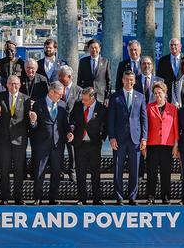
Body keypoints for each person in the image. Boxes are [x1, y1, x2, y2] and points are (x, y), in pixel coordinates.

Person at [108, 70, 147, 205]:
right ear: (122, 80)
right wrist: (111, 137)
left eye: (131, 80)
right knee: (118, 168)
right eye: (126, 79)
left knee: (134, 169)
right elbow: (111, 119)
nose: (129, 82)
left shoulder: (140, 97)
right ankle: (119, 196)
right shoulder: (115, 97)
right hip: (119, 139)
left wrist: (144, 138)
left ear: (134, 81)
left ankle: (132, 196)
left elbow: (143, 119)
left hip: (135, 138)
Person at [0, 75, 31, 205]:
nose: (13, 86)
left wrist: (33, 121)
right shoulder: (0, 97)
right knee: (4, 170)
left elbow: (28, 121)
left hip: (19, 140)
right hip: (4, 140)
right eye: (10, 83)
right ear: (6, 85)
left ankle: (18, 197)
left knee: (19, 170)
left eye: (16, 84)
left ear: (20, 85)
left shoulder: (26, 99)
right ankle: (4, 197)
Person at [29, 81, 69, 205]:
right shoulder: (38, 104)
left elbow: (64, 124)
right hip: (42, 144)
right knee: (39, 171)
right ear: (51, 92)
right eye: (59, 94)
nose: (61, 97)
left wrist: (69, 132)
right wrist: (33, 122)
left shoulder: (62, 105)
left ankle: (53, 197)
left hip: (57, 144)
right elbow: (33, 127)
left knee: (56, 172)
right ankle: (38, 197)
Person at [68, 87, 108, 205]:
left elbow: (106, 125)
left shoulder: (101, 109)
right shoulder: (78, 105)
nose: (83, 102)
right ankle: (82, 198)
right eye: (82, 99)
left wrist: (101, 138)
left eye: (85, 100)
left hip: (94, 144)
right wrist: (71, 130)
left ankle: (97, 198)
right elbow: (71, 120)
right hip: (80, 144)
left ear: (92, 98)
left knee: (95, 173)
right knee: (81, 173)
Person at [145, 82, 178, 204]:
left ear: (165, 93)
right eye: (155, 93)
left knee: (166, 172)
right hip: (152, 144)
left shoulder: (173, 108)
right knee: (151, 172)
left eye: (160, 92)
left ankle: (166, 197)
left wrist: (176, 145)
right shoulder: (149, 107)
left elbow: (175, 127)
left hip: (167, 145)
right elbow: (145, 126)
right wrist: (144, 144)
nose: (157, 95)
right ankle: (151, 197)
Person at [56, 65, 81, 182]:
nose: (59, 79)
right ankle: (59, 171)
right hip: (59, 126)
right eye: (58, 76)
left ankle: (72, 171)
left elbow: (80, 111)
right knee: (58, 150)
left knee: (72, 151)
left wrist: (74, 126)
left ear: (70, 77)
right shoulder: (56, 88)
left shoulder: (79, 91)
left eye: (62, 77)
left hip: (72, 126)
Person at [77, 39, 111, 105]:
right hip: (87, 97)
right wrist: (81, 95)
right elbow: (79, 80)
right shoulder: (83, 61)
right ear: (88, 49)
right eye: (91, 48)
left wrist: (107, 97)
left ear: (100, 48)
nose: (94, 50)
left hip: (101, 97)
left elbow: (108, 81)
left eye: (96, 48)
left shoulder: (106, 62)